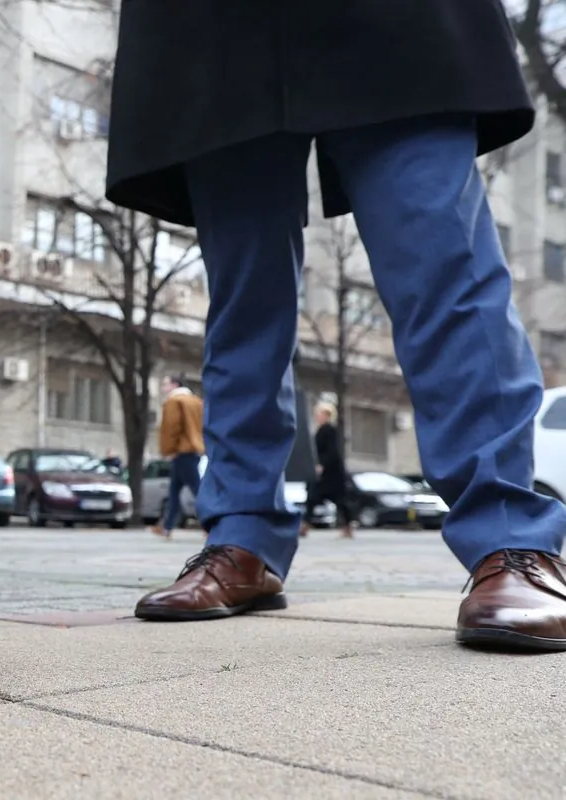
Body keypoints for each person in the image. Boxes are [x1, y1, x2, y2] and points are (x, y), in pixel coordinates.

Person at [109, 2, 566, 651]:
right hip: (211, 23)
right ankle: (243, 535)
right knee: (243, 293)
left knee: (439, 254)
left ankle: (510, 536)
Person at [153, 375, 204, 539]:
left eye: (165, 384)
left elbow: (171, 428)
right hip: (194, 448)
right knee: (174, 490)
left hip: (182, 450)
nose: (163, 387)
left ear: (174, 385)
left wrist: (168, 449)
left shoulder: (174, 402)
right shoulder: (196, 401)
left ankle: (211, 523)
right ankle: (167, 526)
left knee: (198, 490)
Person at [300, 402, 354, 540]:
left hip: (331, 473)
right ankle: (305, 525)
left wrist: (322, 465)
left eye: (320, 414)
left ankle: (348, 526)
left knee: (339, 501)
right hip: (322, 474)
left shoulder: (330, 430)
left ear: (327, 415)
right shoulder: (320, 430)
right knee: (311, 498)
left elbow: (332, 451)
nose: (317, 416)